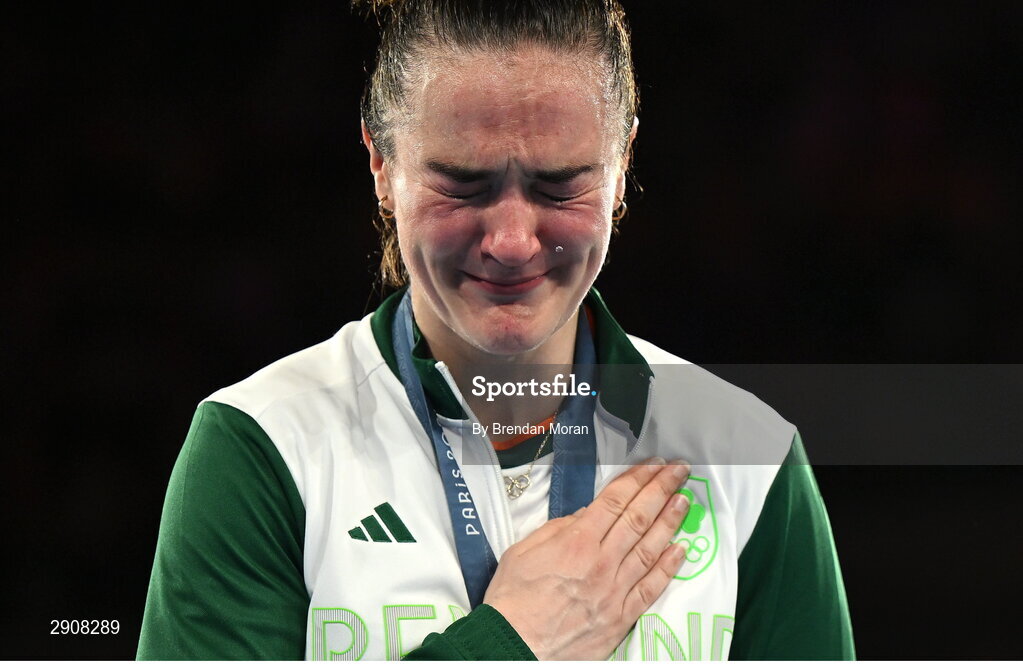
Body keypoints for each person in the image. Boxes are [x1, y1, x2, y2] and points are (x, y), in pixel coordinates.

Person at [138, 0, 854, 660]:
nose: (512, 240)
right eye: (463, 184)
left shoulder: (747, 459)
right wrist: (512, 641)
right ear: (380, 164)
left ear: (622, 164)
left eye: (559, 185)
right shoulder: (264, 445)